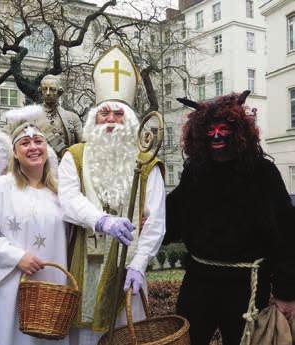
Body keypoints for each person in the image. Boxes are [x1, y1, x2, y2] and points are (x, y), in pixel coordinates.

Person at [165, 91, 295, 345]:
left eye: (223, 128)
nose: (216, 135)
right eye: (209, 129)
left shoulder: (262, 173)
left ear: (239, 132)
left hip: (246, 287)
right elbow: (175, 217)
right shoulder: (195, 170)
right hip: (198, 283)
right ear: (199, 133)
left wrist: (286, 291)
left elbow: (287, 234)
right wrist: (149, 219)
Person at [58, 46, 166, 344]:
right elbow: (67, 200)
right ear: (94, 119)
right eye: (104, 112)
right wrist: (101, 221)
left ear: (130, 121)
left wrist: (139, 264)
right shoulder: (74, 156)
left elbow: (155, 221)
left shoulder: (146, 164)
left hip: (126, 266)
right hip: (83, 260)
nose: (110, 119)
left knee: (126, 334)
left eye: (118, 113)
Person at [0, 109, 69, 345]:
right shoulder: (2, 187)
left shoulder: (59, 193)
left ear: (47, 149)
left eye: (38, 141)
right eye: (25, 143)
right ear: (15, 152)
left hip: (48, 286)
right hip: (9, 283)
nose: (33, 147)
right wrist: (17, 257)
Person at [5, 75, 82, 157]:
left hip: (65, 166)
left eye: (52, 89)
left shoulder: (73, 118)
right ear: (41, 91)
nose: (48, 93)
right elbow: (4, 133)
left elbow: (83, 146)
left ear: (60, 92)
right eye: (45, 89)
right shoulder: (29, 114)